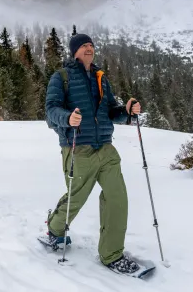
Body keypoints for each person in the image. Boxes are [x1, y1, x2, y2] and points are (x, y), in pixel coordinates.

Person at [45, 34, 142, 274]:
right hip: (78, 147)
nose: (89, 48)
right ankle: (55, 229)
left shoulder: (101, 78)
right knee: (76, 198)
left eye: (91, 45)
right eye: (84, 46)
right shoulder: (62, 77)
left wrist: (127, 111)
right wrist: (67, 118)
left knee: (117, 198)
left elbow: (110, 111)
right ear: (74, 51)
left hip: (106, 148)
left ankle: (111, 254)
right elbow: (50, 111)